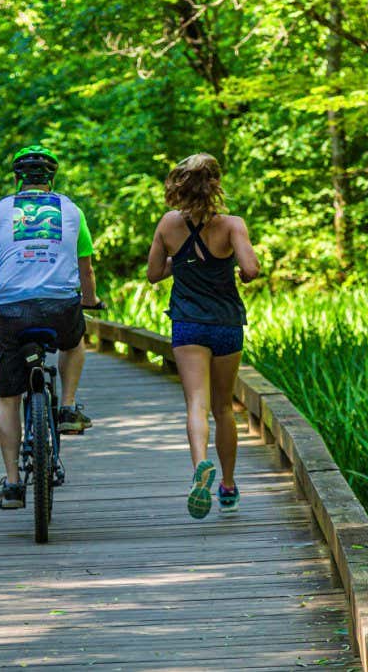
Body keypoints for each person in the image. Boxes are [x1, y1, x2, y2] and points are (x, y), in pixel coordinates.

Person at [0, 146, 103, 510]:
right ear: (51, 180)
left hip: (10, 311)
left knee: (8, 398)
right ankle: (69, 407)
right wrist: (88, 300)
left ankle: (12, 484)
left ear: (18, 180)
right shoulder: (71, 210)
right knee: (74, 342)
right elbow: (86, 269)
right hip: (60, 306)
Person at [145, 153, 259, 518]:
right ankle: (227, 485)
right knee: (224, 408)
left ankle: (199, 466)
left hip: (188, 324)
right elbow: (251, 269)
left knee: (197, 403)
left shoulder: (168, 224)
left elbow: (153, 273)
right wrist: (240, 273)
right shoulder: (232, 225)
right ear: (215, 184)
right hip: (225, 325)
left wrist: (179, 261)